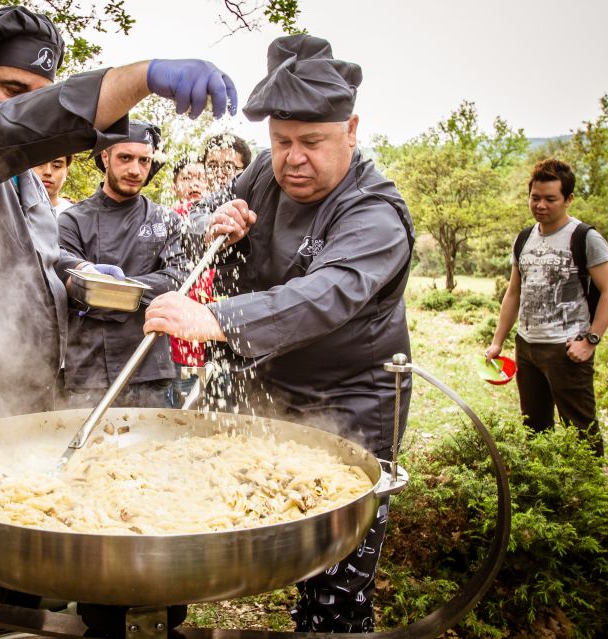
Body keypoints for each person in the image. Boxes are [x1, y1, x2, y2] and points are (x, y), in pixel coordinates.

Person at [0, 7, 236, 636]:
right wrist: (140, 76)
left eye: (39, 100)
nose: (28, 119)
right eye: (12, 92)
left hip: (30, 412)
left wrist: (74, 280)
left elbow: (39, 264)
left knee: (28, 598)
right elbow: (10, 131)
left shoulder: (28, 188)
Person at [144, 35, 414, 632]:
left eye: (312, 142)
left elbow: (327, 294)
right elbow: (190, 232)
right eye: (281, 140)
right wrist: (218, 220)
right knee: (233, 509)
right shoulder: (264, 173)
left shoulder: (373, 212)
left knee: (334, 567)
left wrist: (216, 318)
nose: (292, 158)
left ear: (351, 129)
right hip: (265, 385)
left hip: (351, 402)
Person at [486, 159, 608, 456]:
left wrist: (591, 340)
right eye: (535, 197)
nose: (541, 205)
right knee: (535, 428)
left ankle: (588, 493)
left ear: (568, 199)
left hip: (567, 349)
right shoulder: (524, 238)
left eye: (550, 199)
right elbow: (513, 293)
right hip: (528, 346)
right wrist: (498, 342)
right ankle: (546, 491)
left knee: (580, 430)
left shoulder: (585, 238)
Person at [60, 121, 185, 408]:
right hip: (89, 368)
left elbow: (178, 280)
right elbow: (61, 275)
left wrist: (110, 290)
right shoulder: (72, 220)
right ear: (105, 157)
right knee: (89, 450)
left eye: (144, 161)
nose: (135, 170)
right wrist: (86, 279)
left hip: (148, 363)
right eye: (125, 158)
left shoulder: (165, 220)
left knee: (152, 449)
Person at [168, 156, 214, 405]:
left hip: (211, 341)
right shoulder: (165, 220)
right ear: (174, 186)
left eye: (201, 179)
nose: (195, 185)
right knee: (174, 413)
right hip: (173, 343)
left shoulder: (221, 222)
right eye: (187, 178)